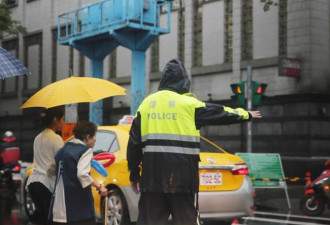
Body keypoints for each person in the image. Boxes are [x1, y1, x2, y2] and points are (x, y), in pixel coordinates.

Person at [127, 59, 262, 225]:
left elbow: (133, 143)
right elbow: (219, 113)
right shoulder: (189, 105)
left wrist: (134, 173)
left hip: (152, 179)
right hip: (183, 180)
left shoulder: (146, 104)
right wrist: (245, 114)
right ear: (184, 82)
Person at [48, 120, 108, 225]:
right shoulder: (85, 150)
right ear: (88, 137)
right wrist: (100, 187)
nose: (95, 140)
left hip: (57, 209)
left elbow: (50, 170)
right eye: (94, 136)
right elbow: (82, 175)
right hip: (77, 210)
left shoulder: (62, 150)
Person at [26, 106, 65, 225]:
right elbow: (60, 162)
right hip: (46, 184)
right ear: (55, 120)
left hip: (33, 183)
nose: (64, 122)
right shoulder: (56, 138)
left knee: (43, 219)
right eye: (62, 119)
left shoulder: (37, 138)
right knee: (52, 221)